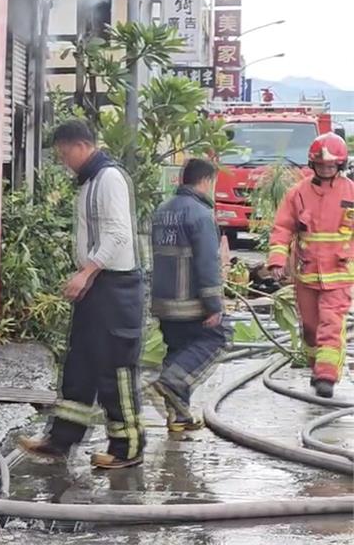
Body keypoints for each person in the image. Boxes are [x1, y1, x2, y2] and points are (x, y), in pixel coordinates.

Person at [19, 119, 146, 469]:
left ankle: (127, 447)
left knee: (114, 369)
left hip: (115, 288)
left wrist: (87, 272)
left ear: (80, 146)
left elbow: (118, 234)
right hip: (98, 285)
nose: (64, 162)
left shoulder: (109, 179)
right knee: (81, 363)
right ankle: (61, 439)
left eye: (63, 155)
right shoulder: (90, 181)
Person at [267, 132, 354, 399]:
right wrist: (277, 260)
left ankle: (327, 375)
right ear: (312, 164)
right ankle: (317, 367)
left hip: (339, 275)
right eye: (321, 165)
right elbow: (282, 228)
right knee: (310, 327)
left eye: (331, 166)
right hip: (306, 275)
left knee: (331, 323)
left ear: (340, 165)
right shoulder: (299, 193)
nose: (326, 170)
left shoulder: (350, 191)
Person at [150, 158, 228, 431]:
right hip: (190, 302)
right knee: (217, 339)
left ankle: (179, 416)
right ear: (205, 181)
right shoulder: (200, 214)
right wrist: (214, 305)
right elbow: (207, 263)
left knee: (179, 349)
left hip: (163, 301)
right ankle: (171, 382)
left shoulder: (161, 210)